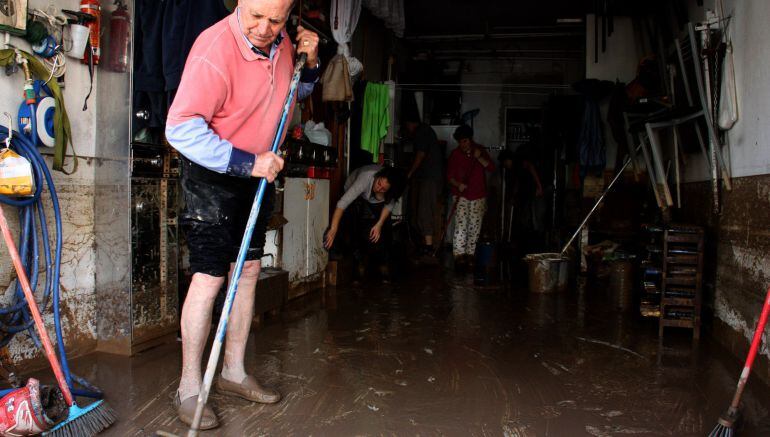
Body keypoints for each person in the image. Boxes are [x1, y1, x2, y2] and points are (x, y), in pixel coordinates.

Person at [164, 0, 320, 429]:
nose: (265, 29)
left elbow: (294, 93)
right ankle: (189, 388)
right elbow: (180, 128)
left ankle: (233, 371)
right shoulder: (214, 48)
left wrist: (310, 65)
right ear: (240, 3)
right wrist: (247, 163)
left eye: (276, 20)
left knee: (248, 270)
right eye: (256, 16)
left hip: (258, 170)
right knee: (210, 276)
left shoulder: (283, 43)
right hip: (214, 172)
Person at [324, 165, 407, 283]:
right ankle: (358, 264)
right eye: (379, 183)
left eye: (383, 189)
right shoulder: (366, 177)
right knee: (353, 225)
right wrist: (333, 229)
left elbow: (388, 206)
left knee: (383, 228)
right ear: (378, 177)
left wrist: (379, 224)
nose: (379, 188)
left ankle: (384, 264)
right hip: (356, 192)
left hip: (376, 200)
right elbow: (342, 204)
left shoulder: (391, 191)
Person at [446, 125, 495, 270]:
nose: (463, 144)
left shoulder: (480, 150)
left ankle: (470, 255)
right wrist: (458, 184)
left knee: (475, 226)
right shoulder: (455, 154)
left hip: (478, 194)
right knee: (461, 225)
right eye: (460, 142)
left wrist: (479, 157)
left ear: (470, 139)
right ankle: (459, 256)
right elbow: (449, 176)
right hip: (461, 195)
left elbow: (491, 168)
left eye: (465, 141)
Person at [405, 120, 442, 257]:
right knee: (422, 211)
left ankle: (429, 247)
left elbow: (420, 154)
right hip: (428, 177)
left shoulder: (422, 131)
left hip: (429, 177)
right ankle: (426, 245)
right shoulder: (425, 131)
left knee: (425, 210)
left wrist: (410, 173)